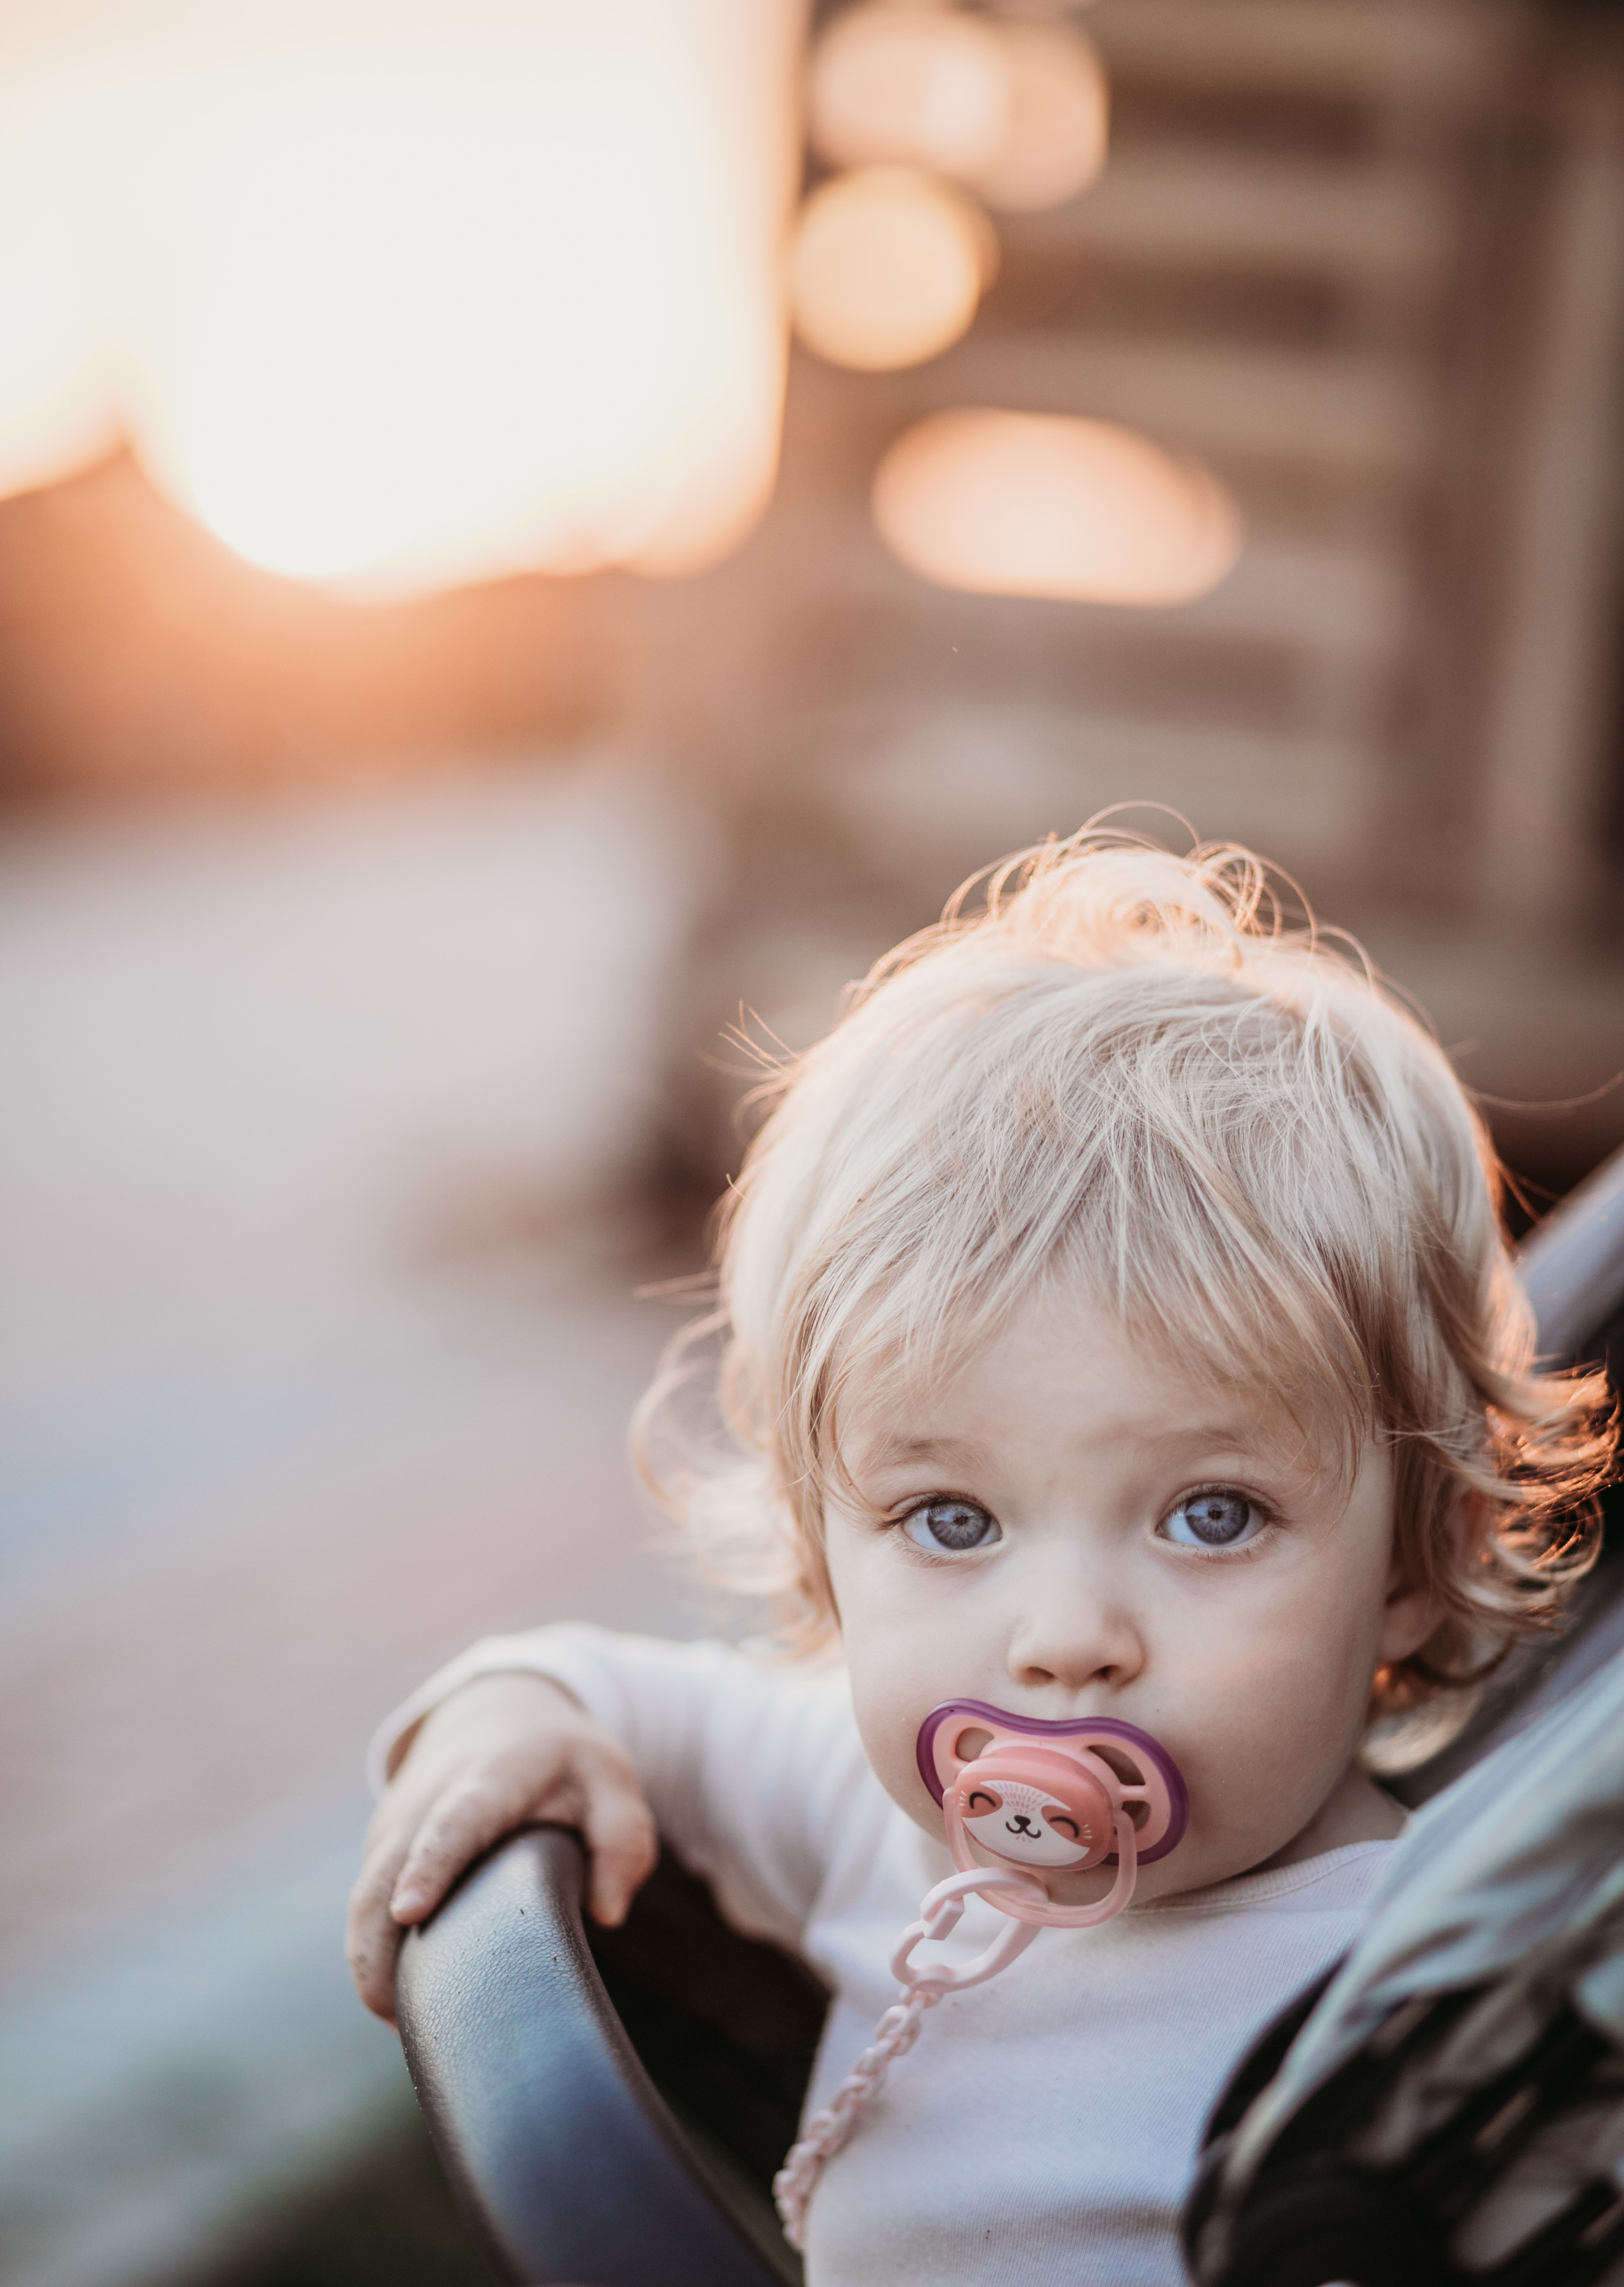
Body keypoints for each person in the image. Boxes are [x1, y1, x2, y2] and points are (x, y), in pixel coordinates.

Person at [346, 827, 1613, 2286]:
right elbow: (606, 1690)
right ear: (824, 1534)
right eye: (952, 1521)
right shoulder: (869, 1814)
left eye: (1210, 1514)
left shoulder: (1429, 2014)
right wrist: (504, 1725)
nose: (1063, 1638)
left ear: (1412, 1551)